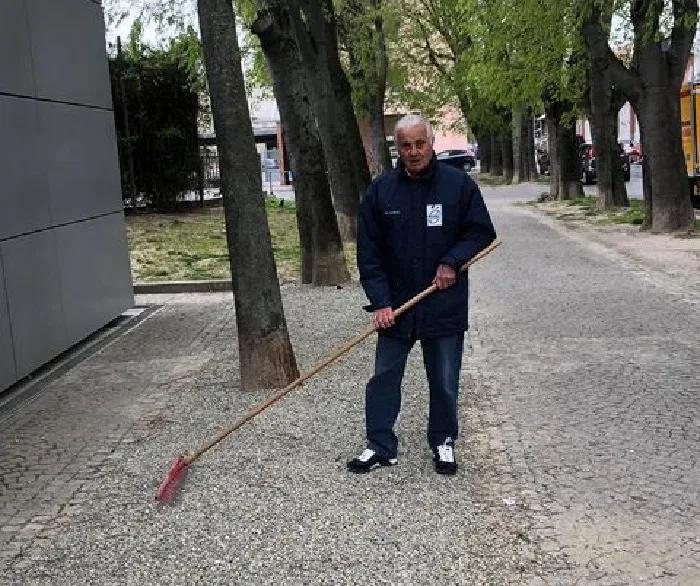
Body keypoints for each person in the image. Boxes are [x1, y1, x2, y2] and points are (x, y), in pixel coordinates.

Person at [347, 114, 497, 476]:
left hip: (442, 303)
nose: (413, 152)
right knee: (384, 377)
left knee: (444, 378)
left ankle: (443, 441)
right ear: (396, 148)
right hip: (397, 307)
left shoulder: (458, 186)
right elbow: (370, 254)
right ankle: (380, 445)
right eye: (406, 145)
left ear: (431, 143)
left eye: (420, 143)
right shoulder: (381, 192)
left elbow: (480, 232)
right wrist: (381, 301)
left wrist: (452, 262)